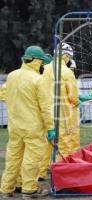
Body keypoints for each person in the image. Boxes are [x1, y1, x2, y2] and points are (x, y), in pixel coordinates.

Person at [0, 45, 54, 199]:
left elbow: (3, 94)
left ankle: (7, 189)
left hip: (14, 127)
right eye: (42, 62)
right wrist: (50, 128)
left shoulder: (12, 76)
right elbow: (45, 107)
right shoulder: (38, 79)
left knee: (13, 158)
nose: (43, 65)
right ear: (36, 61)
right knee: (32, 159)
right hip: (33, 128)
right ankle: (29, 190)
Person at [39, 43, 80, 180]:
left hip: (46, 111)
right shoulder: (67, 72)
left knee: (47, 143)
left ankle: (40, 173)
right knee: (65, 144)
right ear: (66, 56)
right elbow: (73, 97)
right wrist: (77, 101)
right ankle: (64, 174)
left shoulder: (44, 69)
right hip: (63, 113)